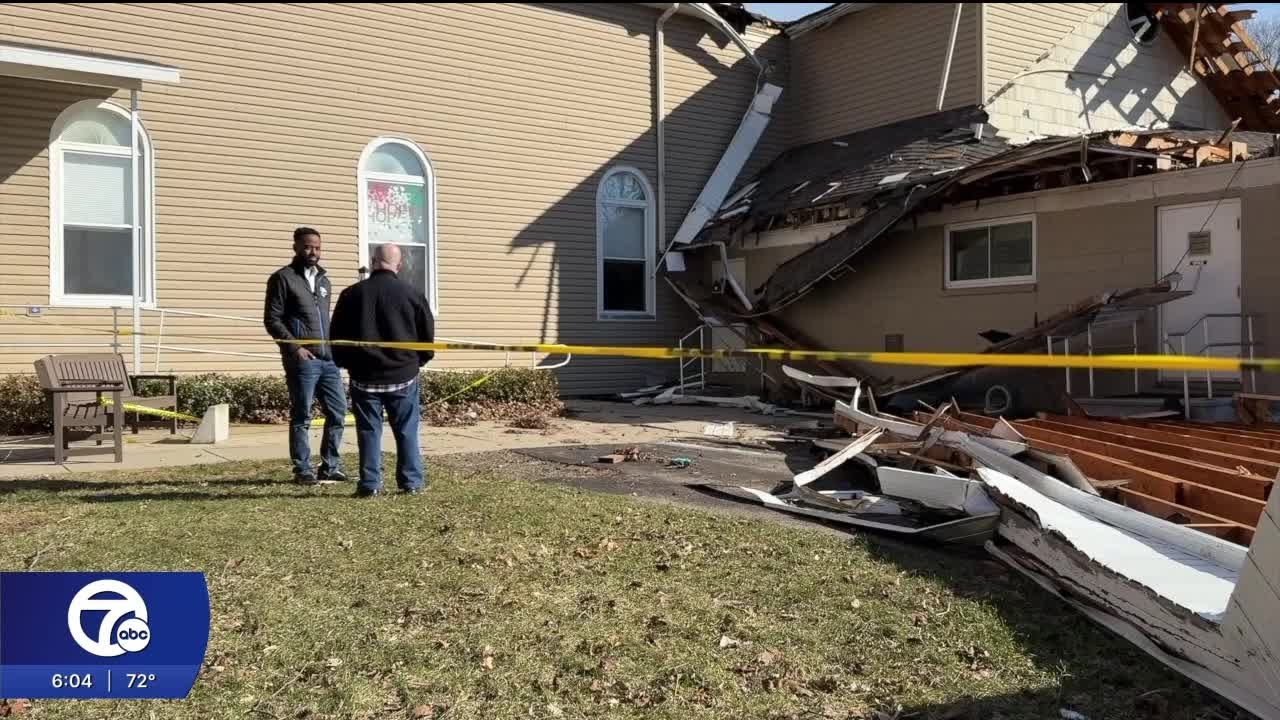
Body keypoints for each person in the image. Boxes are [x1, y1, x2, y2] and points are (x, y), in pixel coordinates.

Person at [330, 243, 435, 498]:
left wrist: (346, 363)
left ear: (373, 261)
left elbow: (337, 337)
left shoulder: (351, 295)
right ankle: (411, 482)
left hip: (364, 377)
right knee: (407, 430)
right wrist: (417, 361)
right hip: (403, 376)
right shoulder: (412, 294)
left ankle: (370, 484)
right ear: (398, 266)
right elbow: (427, 337)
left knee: (368, 431)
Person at [263, 227, 347, 485]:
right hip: (303, 361)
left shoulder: (324, 281)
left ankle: (330, 466)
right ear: (296, 247)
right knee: (302, 415)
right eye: (308, 247)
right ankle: (302, 469)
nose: (314, 252)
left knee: (338, 412)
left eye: (318, 248)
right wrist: (295, 348)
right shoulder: (282, 278)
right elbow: (272, 319)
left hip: (328, 359)